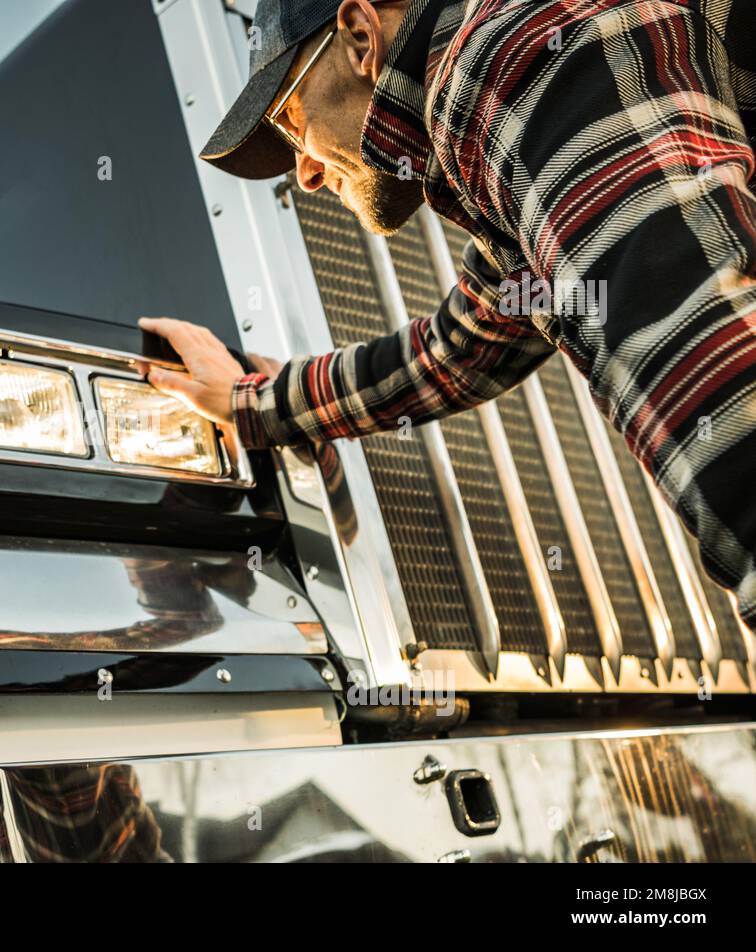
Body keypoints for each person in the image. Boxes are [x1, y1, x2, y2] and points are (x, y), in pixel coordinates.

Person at [140, 0, 756, 630]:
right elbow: (459, 350)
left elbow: (697, 357)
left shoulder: (503, 61)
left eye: (293, 122)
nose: (305, 175)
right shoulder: (513, 105)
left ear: (359, 37)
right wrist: (254, 403)